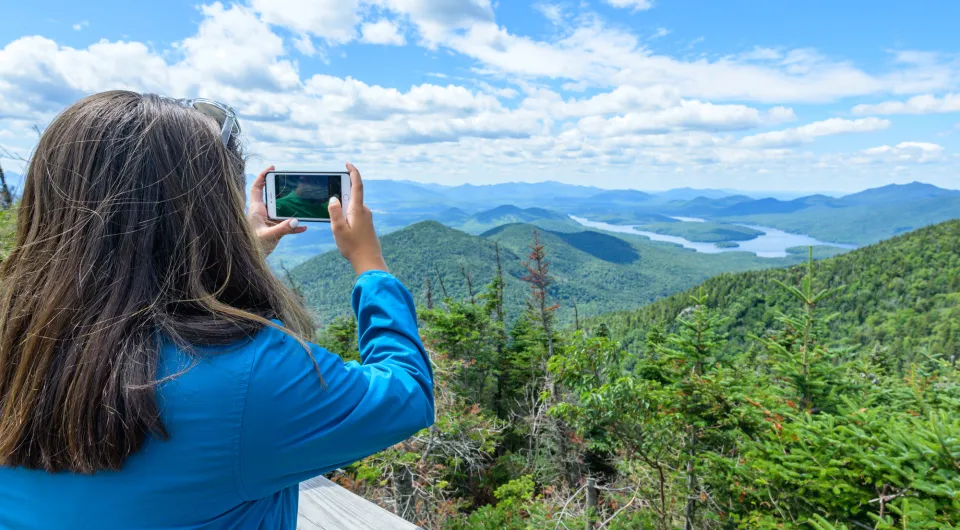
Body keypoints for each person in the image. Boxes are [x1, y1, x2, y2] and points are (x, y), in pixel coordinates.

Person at [0, 91, 434, 529]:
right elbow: (407, 393)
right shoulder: (251, 373)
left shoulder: (15, 343)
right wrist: (371, 267)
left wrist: (230, 260)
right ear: (213, 211)